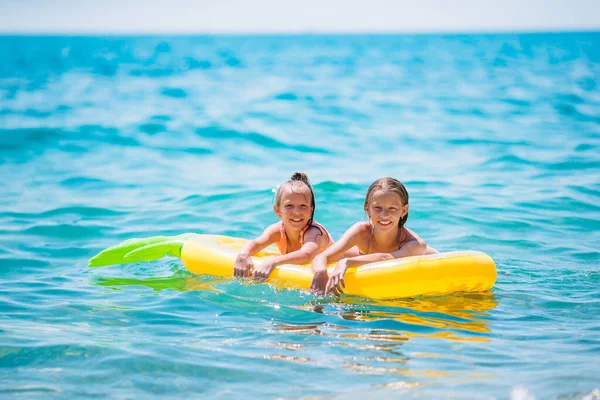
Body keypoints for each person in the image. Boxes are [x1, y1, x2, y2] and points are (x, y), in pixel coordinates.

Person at [310, 177, 437, 295]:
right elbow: (323, 256)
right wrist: (321, 272)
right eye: (377, 208)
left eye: (392, 208)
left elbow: (386, 257)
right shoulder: (361, 231)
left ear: (404, 211)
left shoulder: (416, 245)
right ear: (367, 209)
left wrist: (346, 263)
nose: (384, 215)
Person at [233, 172, 334, 284]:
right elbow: (257, 243)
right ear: (277, 210)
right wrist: (243, 254)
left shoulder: (314, 232)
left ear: (311, 210)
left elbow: (306, 255)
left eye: (303, 206)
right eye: (289, 206)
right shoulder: (276, 230)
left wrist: (273, 261)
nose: (296, 211)